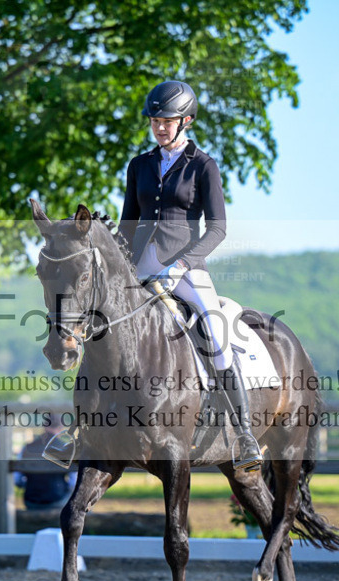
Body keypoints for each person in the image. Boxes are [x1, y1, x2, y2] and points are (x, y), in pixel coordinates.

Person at [118, 80, 262, 469]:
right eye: (155, 121)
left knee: (216, 334)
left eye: (167, 121)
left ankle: (245, 434)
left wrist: (181, 264)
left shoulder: (203, 165)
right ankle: (82, 430)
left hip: (184, 266)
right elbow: (128, 223)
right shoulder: (139, 165)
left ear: (187, 121)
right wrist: (116, 261)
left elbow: (218, 229)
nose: (159, 127)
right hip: (140, 264)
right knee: (103, 325)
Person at [14, 415, 76, 510]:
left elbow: (17, 479)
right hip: (57, 499)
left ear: (44, 426)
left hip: (31, 500)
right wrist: (64, 487)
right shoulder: (66, 448)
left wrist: (28, 485)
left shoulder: (26, 448)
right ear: (61, 428)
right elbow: (73, 482)